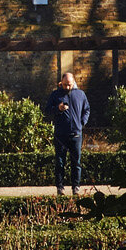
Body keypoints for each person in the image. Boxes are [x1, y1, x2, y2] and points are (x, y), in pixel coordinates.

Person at [44, 69, 92, 198]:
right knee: (60, 162)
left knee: (76, 162)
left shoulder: (80, 94)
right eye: (65, 84)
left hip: (76, 134)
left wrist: (82, 123)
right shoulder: (55, 95)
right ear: (61, 83)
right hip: (60, 135)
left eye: (69, 84)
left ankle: (76, 187)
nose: (67, 87)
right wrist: (58, 109)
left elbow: (86, 110)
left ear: (73, 82)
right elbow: (47, 111)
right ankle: (60, 187)